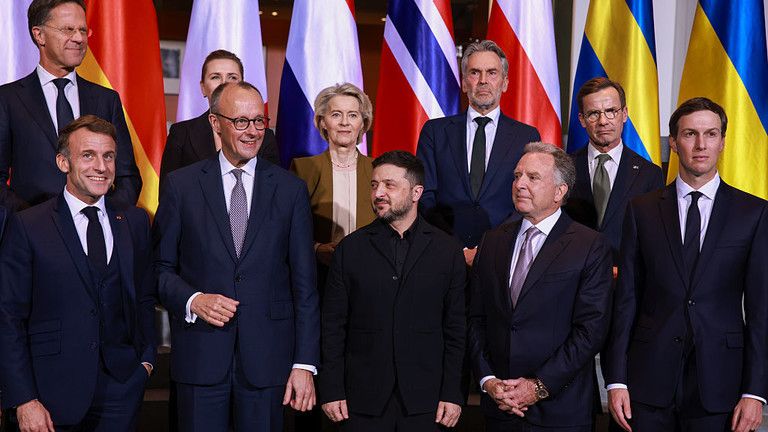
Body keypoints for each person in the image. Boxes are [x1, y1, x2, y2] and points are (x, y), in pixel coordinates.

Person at [153, 81, 319, 431]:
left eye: (259, 121)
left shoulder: (291, 190)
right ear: (215, 123)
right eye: (241, 121)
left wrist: (304, 363)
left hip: (268, 363)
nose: (253, 131)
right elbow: (159, 269)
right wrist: (194, 300)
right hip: (200, 358)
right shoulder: (181, 186)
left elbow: (305, 285)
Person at [602, 97, 768, 432]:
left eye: (711, 134)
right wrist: (616, 379)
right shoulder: (641, 210)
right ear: (675, 143)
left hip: (721, 383)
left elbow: (761, 309)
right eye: (690, 134)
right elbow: (626, 301)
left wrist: (755, 391)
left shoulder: (753, 213)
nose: (701, 144)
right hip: (647, 381)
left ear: (722, 141)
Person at [0, 115, 156, 431]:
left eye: (108, 156)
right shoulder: (28, 225)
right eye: (88, 155)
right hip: (49, 396)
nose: (101, 166)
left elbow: (144, 298)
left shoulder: (135, 222)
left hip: (122, 391)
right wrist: (24, 399)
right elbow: (7, 315)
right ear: (63, 163)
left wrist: (146, 361)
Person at [468, 142, 613, 431]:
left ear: (560, 192)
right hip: (500, 406)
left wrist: (538, 386)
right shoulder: (492, 240)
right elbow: (476, 318)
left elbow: (591, 330)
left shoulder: (589, 245)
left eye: (532, 177)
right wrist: (488, 380)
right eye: (517, 176)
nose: (519, 184)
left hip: (559, 409)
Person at [320, 150, 466, 431]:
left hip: (427, 401)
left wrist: (452, 392)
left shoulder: (447, 251)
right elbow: (333, 326)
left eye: (389, 185)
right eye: (374, 185)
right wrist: (332, 388)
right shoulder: (350, 249)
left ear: (416, 192)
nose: (378, 193)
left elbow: (456, 329)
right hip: (361, 400)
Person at [0, 0, 141, 211]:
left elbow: (127, 177)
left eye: (83, 30)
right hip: (30, 225)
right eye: (68, 29)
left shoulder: (106, 99)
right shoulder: (7, 99)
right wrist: (28, 220)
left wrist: (106, 218)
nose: (79, 38)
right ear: (39, 35)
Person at [417, 39, 540, 265]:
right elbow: (425, 196)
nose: (483, 80)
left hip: (501, 255)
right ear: (464, 83)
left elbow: (528, 199)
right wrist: (458, 248)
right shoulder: (435, 132)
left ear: (504, 83)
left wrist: (487, 247)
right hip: (444, 254)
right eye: (475, 73)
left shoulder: (526, 136)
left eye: (492, 73)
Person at [565, 77, 663, 262]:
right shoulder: (564, 168)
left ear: (624, 114)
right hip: (574, 272)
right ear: (582, 119)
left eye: (611, 111)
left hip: (625, 274)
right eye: (593, 113)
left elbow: (653, 238)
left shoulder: (649, 174)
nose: (603, 121)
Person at [160, 49, 279, 189]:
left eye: (232, 77)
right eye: (215, 77)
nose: (224, 83)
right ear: (203, 88)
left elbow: (276, 189)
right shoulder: (181, 133)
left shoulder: (264, 137)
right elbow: (169, 192)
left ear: (242, 85)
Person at [290, 82, 376, 272]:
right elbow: (287, 228)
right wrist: (316, 249)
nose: (344, 122)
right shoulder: (303, 169)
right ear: (323, 122)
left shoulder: (378, 169)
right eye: (336, 114)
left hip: (370, 272)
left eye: (352, 115)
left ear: (363, 123)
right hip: (319, 274)